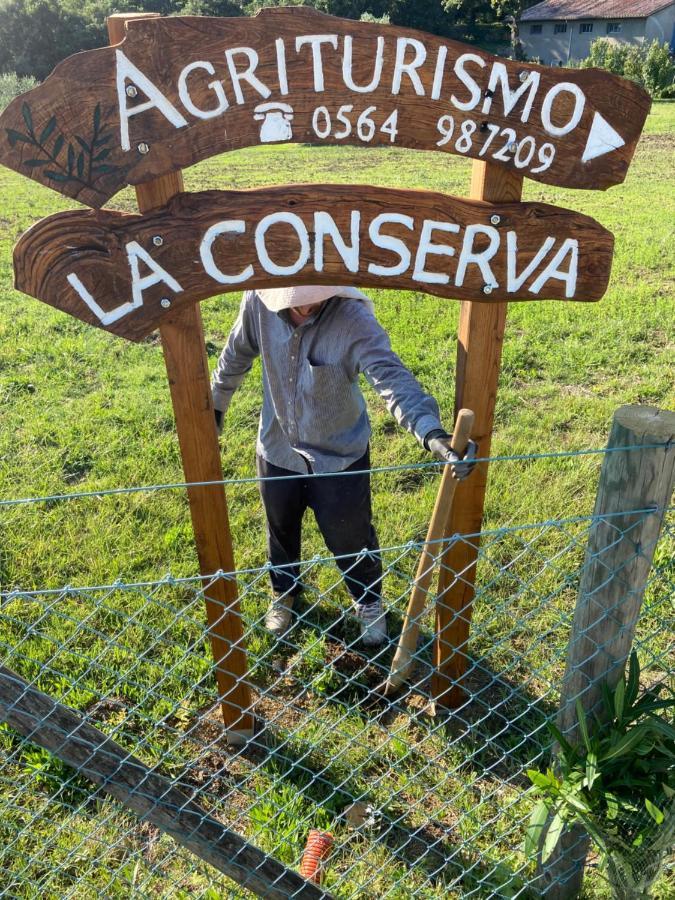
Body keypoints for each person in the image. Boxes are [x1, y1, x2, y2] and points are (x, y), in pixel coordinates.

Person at [211, 285, 477, 648]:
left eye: (313, 294)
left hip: (340, 456)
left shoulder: (353, 318)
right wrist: (215, 406)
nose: (304, 305)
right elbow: (235, 354)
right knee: (280, 529)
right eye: (294, 299)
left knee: (351, 537)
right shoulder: (258, 302)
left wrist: (431, 432)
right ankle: (284, 592)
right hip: (277, 448)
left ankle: (368, 600)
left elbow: (391, 377)